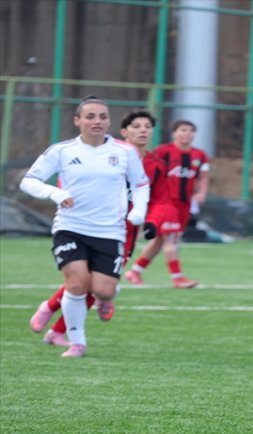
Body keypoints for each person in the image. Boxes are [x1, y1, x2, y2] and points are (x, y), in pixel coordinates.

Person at [20, 97, 149, 358]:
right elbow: (29, 181)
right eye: (90, 116)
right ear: (77, 121)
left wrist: (139, 210)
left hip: (110, 231)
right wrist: (55, 193)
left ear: (109, 121)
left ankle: (103, 298)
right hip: (70, 227)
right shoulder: (62, 151)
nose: (97, 121)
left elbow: (141, 184)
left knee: (103, 290)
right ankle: (77, 342)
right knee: (77, 284)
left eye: (102, 116)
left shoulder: (125, 152)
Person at [122, 120, 209, 288]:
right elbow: (147, 168)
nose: (187, 133)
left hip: (184, 203)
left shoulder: (199, 155)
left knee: (160, 241)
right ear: (174, 133)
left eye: (191, 130)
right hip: (165, 202)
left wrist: (201, 192)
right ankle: (178, 278)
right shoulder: (163, 151)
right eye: (183, 130)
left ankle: (135, 272)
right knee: (171, 239)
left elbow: (203, 176)